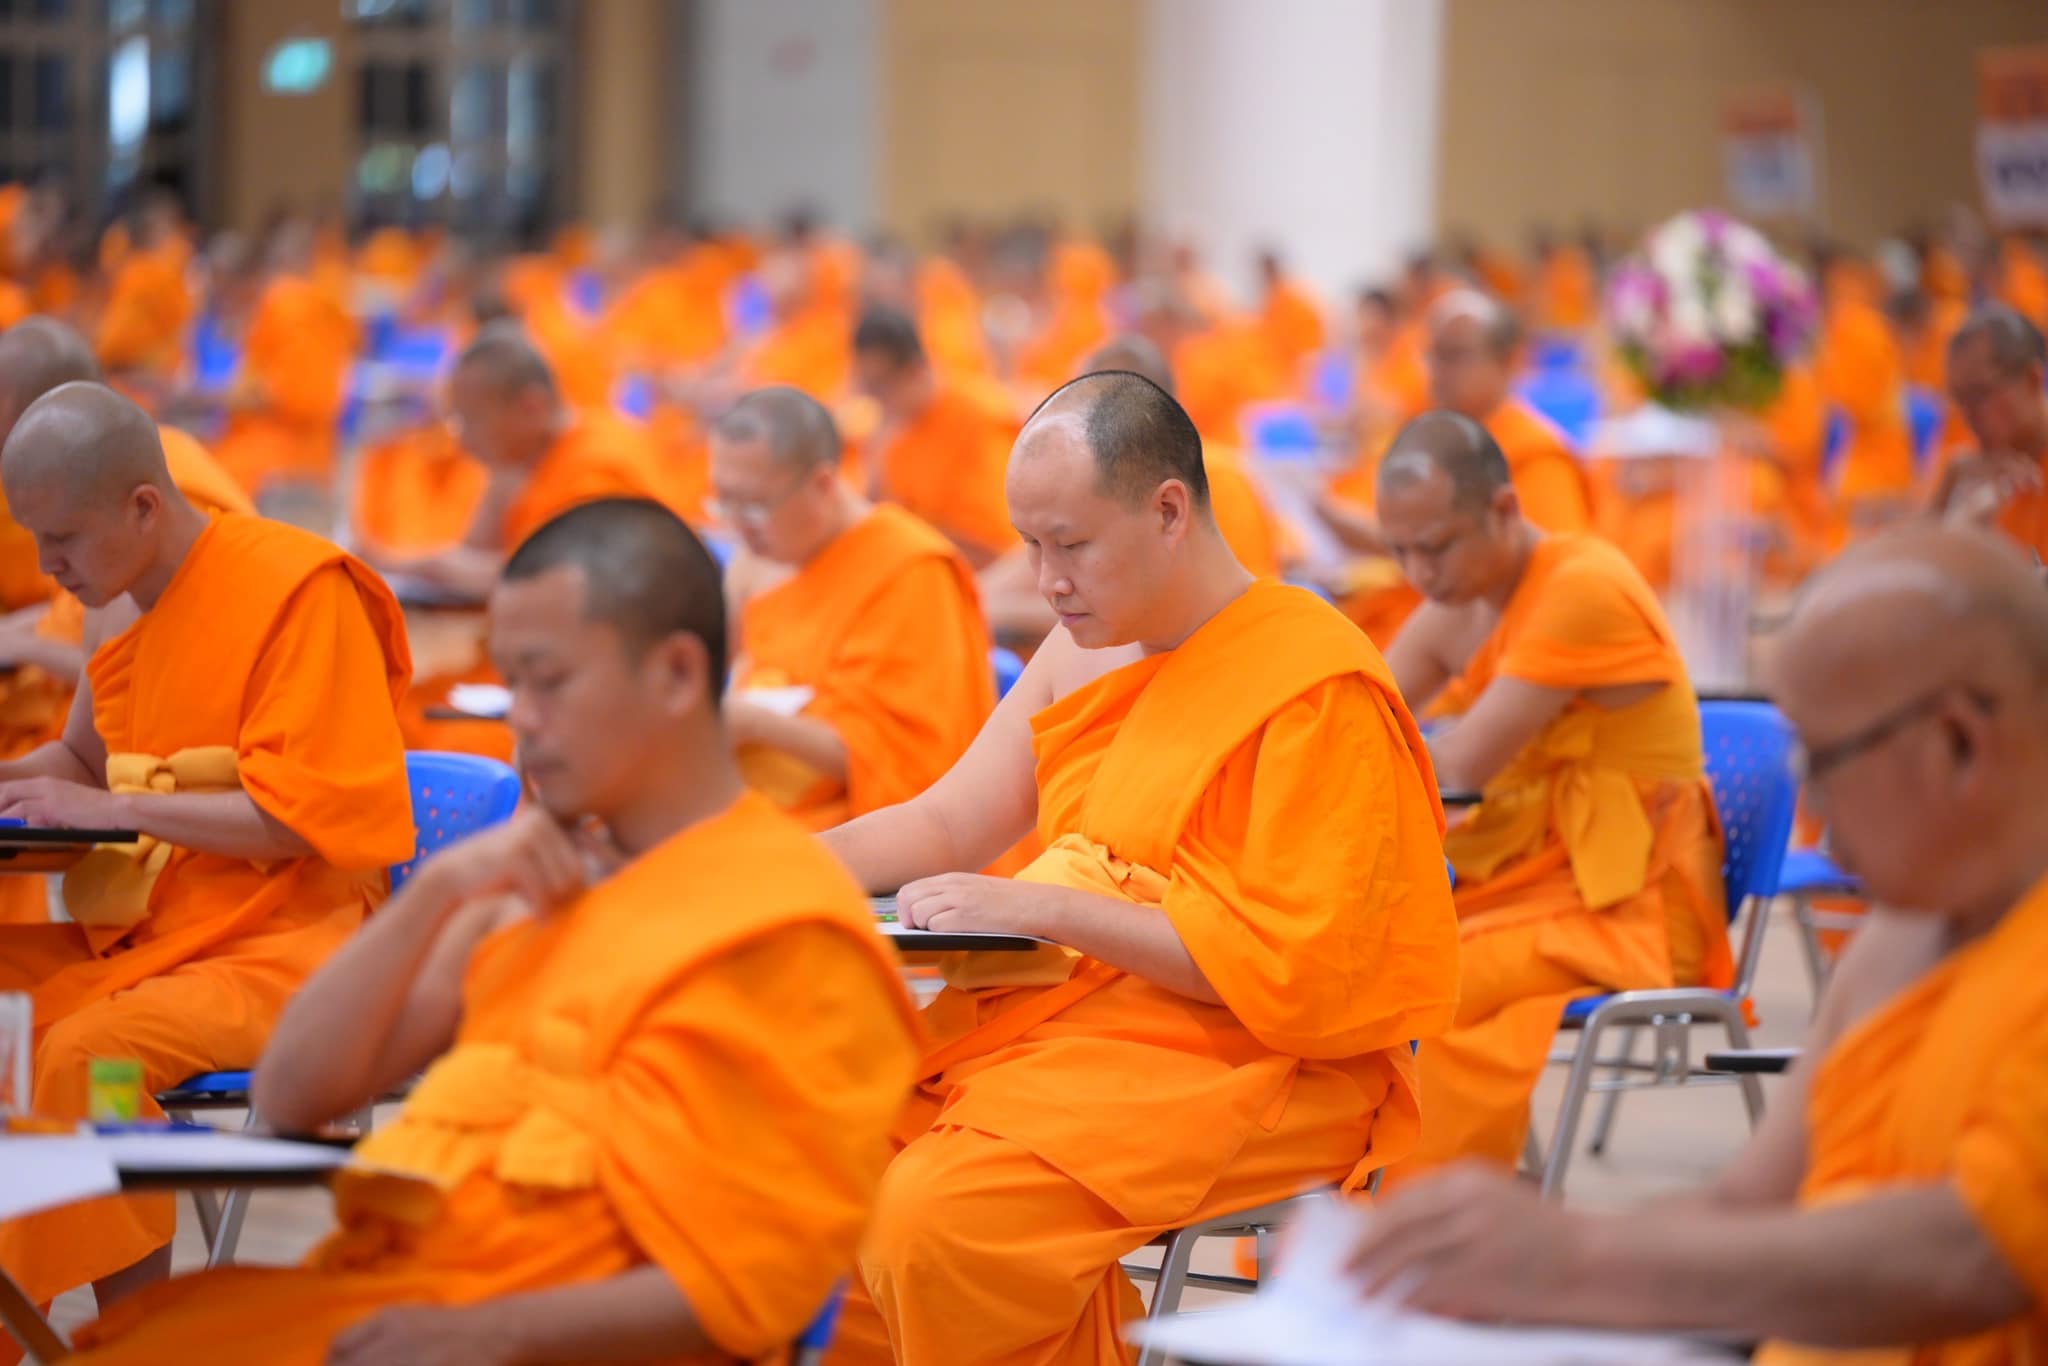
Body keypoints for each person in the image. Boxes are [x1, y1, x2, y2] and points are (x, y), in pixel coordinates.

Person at [62, 498, 922, 1365]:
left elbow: (754, 1285)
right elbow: (291, 1097)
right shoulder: (529, 892)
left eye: (549, 682)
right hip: (396, 1301)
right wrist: (436, 892)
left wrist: (485, 1334)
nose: (522, 721)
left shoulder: (787, 925)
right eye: (512, 685)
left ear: (675, 674)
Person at [818, 370, 1460, 1364]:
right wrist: (761, 866)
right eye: (1031, 546)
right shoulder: (1088, 648)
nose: (1045, 582)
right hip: (1074, 1026)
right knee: (821, 1170)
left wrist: (1044, 908)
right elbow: (946, 820)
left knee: (935, 1222)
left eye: (1069, 545)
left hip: (1259, 1058)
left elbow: (1291, 972)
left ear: (1168, 510)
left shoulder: (1308, 682)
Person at [1347, 523, 2048, 1364]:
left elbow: (1972, 1253)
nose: (1813, 805)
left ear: (1959, 741)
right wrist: (1514, 1277)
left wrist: (1579, 1263)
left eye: (1827, 760)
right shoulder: (1896, 943)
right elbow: (1748, 1202)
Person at [0, 382, 412, 1320]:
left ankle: (126, 1333)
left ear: (144, 505)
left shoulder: (297, 590)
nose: (46, 565)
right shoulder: (125, 599)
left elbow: (302, 819)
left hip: (288, 946)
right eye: (33, 537)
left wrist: (97, 803)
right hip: (155, 931)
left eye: (62, 537)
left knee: (87, 1057)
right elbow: (82, 758)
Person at [1374, 412, 1725, 1179]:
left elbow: (1459, 764)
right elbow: (1365, 716)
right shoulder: (1469, 596)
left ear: (1502, 510)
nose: (1417, 573)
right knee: (1359, 962)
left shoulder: (1582, 588)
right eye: (1398, 551)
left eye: (1434, 546)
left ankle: (1412, 1233)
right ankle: (1351, 1208)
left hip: (1626, 903)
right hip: (1526, 885)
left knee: (1424, 987)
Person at [381, 327, 679, 758]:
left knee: (422, 737)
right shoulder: (534, 460)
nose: (460, 439)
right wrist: (501, 481)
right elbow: (479, 548)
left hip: (588, 679)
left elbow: (569, 592)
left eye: (471, 420)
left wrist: (431, 565)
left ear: (532, 407)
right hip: (530, 667)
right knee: (395, 707)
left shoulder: (597, 466)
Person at [712, 386, 997, 830]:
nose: (737, 526)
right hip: (764, 805)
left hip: (858, 834)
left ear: (823, 484)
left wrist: (753, 724)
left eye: (753, 506)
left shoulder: (909, 571)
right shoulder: (756, 560)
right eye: (724, 502)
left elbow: (907, 766)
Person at [1318, 290, 1591, 648]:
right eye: (1433, 355)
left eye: (1455, 356)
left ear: (1507, 362)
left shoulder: (1536, 456)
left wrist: (1378, 540)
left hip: (1479, 640)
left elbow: (1552, 582)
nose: (1438, 372)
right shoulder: (1432, 437)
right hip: (1415, 617)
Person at [979, 337, 1292, 644]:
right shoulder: (1072, 495)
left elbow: (1222, 610)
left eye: (1073, 545)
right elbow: (995, 588)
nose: (1050, 583)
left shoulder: (1216, 481)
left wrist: (1001, 612)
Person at [850, 305, 1017, 567]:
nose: (875, 399)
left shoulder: (978, 418)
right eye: (868, 386)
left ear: (915, 371)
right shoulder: (892, 429)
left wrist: (909, 535)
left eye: (881, 385)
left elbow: (999, 546)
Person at [1929, 305, 2047, 563]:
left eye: (1980, 393)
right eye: (1960, 399)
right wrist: (1947, 487)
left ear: (2032, 380)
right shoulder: (1970, 472)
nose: (1968, 416)